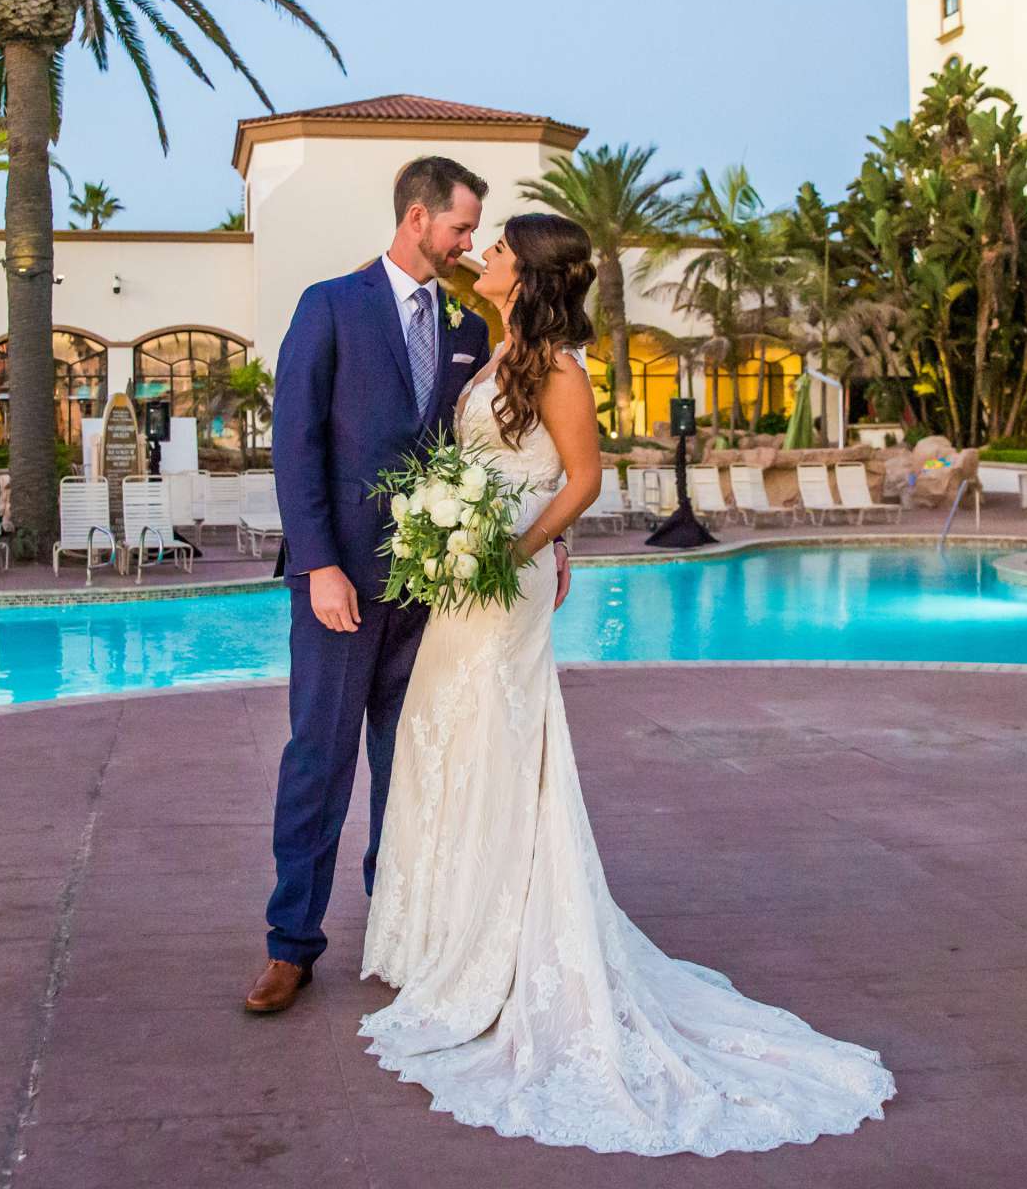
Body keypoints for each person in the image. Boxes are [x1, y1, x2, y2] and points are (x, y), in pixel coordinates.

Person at [355, 212, 894, 1154]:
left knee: (494, 737)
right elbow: (493, 467)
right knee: (444, 732)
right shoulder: (495, 349)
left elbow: (582, 477)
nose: (484, 255)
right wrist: (457, 536)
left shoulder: (558, 366)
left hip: (500, 580)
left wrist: (516, 548)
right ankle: (441, 935)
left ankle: (499, 942)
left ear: (527, 271)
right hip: (467, 576)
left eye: (500, 246)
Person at [247, 157, 544, 1015]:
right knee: (319, 761)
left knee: (411, 766)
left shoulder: (469, 326)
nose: (468, 244)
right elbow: (295, 445)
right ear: (417, 218)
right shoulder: (329, 306)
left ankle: (398, 928)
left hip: (434, 593)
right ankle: (290, 946)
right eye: (460, 227)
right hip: (342, 588)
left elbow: (477, 453)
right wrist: (320, 566)